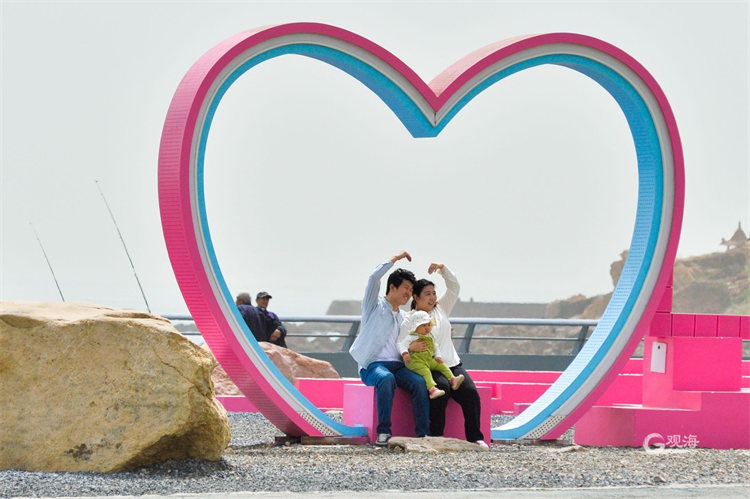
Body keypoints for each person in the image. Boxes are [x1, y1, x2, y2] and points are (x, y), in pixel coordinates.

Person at [349, 251, 430, 446]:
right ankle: (383, 433)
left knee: (419, 382)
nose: (409, 293)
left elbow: (407, 340)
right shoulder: (374, 306)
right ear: (392, 287)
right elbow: (373, 277)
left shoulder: (403, 317)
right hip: (373, 365)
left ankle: (423, 436)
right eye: (406, 288)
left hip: (398, 366)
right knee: (386, 378)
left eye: (411, 290)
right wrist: (395, 259)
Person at [407, 263, 488, 448]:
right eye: (427, 294)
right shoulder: (410, 318)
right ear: (416, 297)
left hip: (452, 363)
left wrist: (443, 269)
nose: (432, 297)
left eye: (433, 293)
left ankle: (476, 438)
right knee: (442, 390)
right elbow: (402, 340)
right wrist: (411, 345)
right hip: (430, 366)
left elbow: (454, 287)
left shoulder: (441, 308)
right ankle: (436, 438)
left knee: (471, 394)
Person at [397, 310, 465, 399]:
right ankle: (432, 390)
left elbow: (436, 347)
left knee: (441, 365)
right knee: (426, 372)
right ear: (416, 327)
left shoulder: (430, 336)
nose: (427, 328)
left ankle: (452, 379)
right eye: (423, 325)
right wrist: (405, 353)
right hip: (416, 362)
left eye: (429, 325)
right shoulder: (412, 336)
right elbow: (403, 344)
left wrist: (438, 356)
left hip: (428, 360)